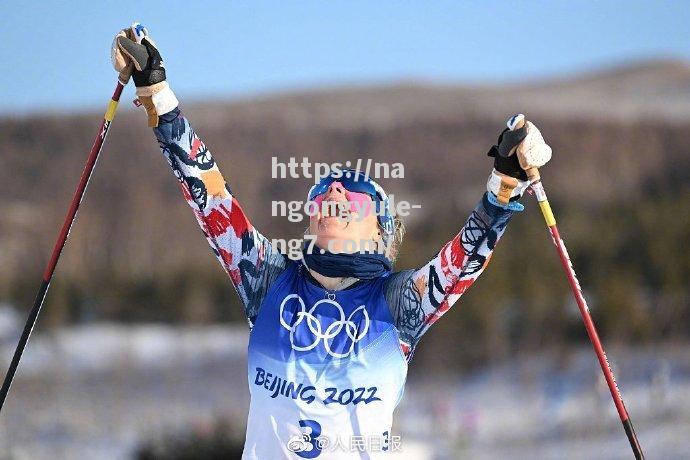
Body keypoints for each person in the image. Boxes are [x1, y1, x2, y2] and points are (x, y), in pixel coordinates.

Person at [111, 23, 552, 459]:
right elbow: (212, 201)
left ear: (380, 229)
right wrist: (157, 93)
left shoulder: (397, 302)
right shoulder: (268, 280)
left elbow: (462, 262)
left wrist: (506, 181)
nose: (333, 192)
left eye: (353, 190)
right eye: (322, 191)